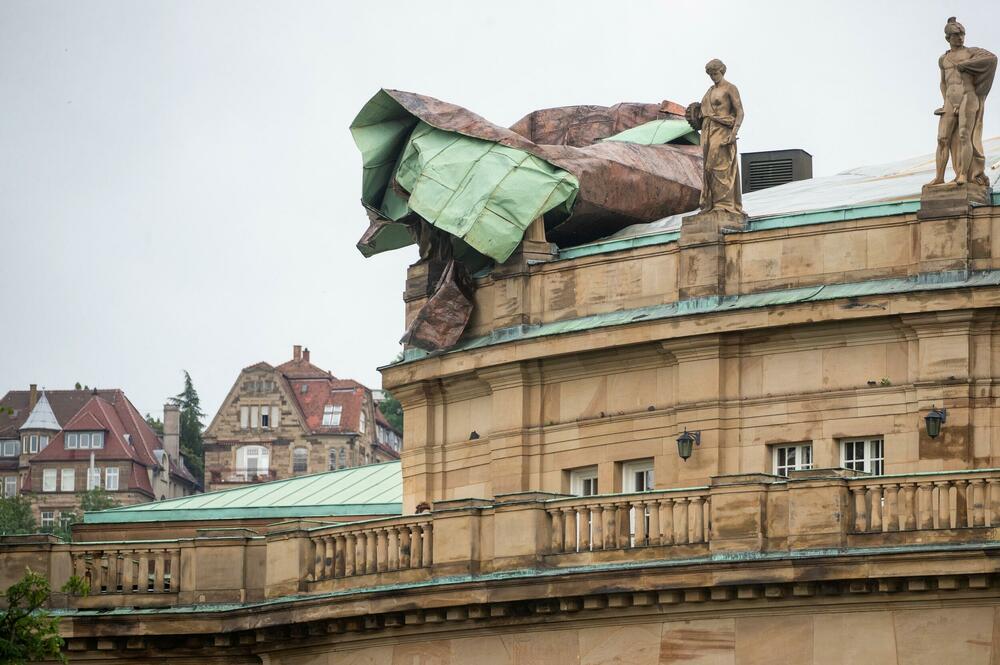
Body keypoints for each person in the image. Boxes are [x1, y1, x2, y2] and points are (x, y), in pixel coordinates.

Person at [928, 17, 996, 187]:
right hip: (950, 101)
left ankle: (963, 174)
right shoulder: (943, 59)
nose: (960, 37)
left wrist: (968, 65)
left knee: (965, 135)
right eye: (956, 35)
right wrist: (945, 101)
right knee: (942, 139)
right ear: (948, 38)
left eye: (962, 34)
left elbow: (992, 59)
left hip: (968, 96)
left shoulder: (971, 52)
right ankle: (939, 177)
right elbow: (943, 82)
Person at [691, 59, 745, 215]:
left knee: (720, 164)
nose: (713, 77)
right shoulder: (709, 91)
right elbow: (702, 112)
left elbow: (740, 112)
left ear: (722, 71)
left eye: (715, 73)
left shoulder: (730, 88)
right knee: (708, 167)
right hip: (707, 130)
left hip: (722, 130)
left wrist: (734, 133)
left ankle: (724, 203)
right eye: (710, 74)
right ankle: (712, 203)